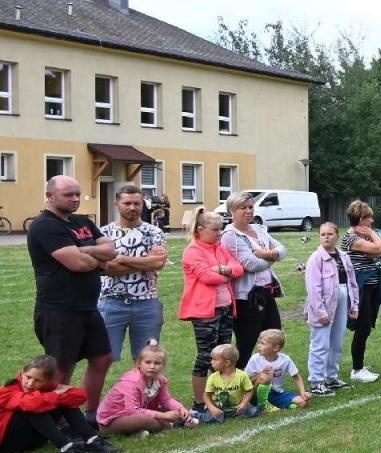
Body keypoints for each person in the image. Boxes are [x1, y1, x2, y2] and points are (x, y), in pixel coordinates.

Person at [27, 175, 118, 421]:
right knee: (62, 366)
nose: (76, 199)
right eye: (69, 195)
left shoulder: (81, 221)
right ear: (50, 196)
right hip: (58, 309)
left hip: (87, 307)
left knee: (102, 358)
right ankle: (57, 420)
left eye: (78, 194)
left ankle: (88, 416)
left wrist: (86, 250)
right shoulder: (44, 226)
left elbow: (111, 250)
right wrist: (97, 260)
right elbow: (76, 263)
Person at [179, 213, 243, 415]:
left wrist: (221, 269)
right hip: (204, 311)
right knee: (207, 355)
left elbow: (238, 269)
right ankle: (199, 402)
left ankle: (219, 397)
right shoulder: (192, 251)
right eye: (215, 229)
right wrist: (225, 273)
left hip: (224, 308)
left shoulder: (219, 248)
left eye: (221, 229)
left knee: (224, 354)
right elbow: (207, 277)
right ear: (201, 230)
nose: (220, 233)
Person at [98, 182, 169, 364]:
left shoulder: (154, 232)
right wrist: (146, 263)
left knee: (147, 360)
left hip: (147, 304)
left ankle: (144, 393)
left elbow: (158, 262)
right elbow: (105, 268)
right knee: (102, 359)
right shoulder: (103, 234)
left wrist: (120, 258)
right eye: (127, 203)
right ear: (117, 205)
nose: (132, 208)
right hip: (111, 302)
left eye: (137, 203)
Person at [0, 354, 117, 453]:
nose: (30, 383)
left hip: (33, 440)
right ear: (22, 373)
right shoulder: (8, 390)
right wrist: (55, 395)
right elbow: (30, 404)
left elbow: (79, 397)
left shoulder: (48, 387)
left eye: (37, 380)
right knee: (34, 406)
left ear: (47, 381)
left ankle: (92, 440)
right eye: (28, 377)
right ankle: (66, 448)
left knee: (63, 401)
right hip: (6, 443)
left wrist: (56, 396)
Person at [220, 191, 288, 362]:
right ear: (232, 211)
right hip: (246, 296)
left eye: (251, 207)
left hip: (266, 292)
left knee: (274, 337)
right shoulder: (230, 236)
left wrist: (263, 253)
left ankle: (265, 379)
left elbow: (282, 250)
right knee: (247, 342)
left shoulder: (258, 229)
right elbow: (251, 264)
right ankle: (238, 382)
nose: (249, 211)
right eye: (243, 208)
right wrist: (272, 259)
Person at [304, 222, 358, 396]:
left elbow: (351, 282)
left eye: (330, 234)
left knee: (336, 341)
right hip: (323, 304)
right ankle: (317, 381)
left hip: (341, 299)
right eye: (322, 234)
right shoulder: (316, 258)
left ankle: (331, 377)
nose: (326, 237)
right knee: (320, 343)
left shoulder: (343, 256)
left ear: (337, 236)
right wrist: (320, 312)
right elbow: (313, 289)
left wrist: (354, 303)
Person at [97, 341, 196, 436]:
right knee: (147, 419)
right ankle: (173, 424)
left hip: (138, 412)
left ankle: (138, 432)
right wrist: (163, 416)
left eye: (157, 363)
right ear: (139, 363)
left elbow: (166, 399)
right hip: (112, 421)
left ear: (163, 366)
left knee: (170, 411)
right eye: (148, 362)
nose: (152, 366)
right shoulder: (132, 381)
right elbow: (132, 410)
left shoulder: (160, 380)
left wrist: (180, 408)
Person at [340, 201, 381, 384]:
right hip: (361, 288)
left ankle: (359, 366)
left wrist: (373, 241)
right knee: (362, 327)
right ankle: (357, 369)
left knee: (366, 327)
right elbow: (380, 248)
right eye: (369, 218)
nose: (373, 221)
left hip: (370, 287)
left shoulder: (363, 238)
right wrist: (373, 235)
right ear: (361, 220)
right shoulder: (353, 238)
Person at [246, 328, 311, 412]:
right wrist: (259, 376)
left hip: (276, 393)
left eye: (262, 343)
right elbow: (246, 380)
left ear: (275, 348)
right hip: (255, 393)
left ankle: (274, 404)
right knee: (264, 377)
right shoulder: (255, 359)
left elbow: (296, 377)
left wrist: (303, 393)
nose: (258, 345)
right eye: (259, 342)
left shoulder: (285, 359)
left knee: (304, 402)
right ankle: (262, 404)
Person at [199, 343, 259, 423]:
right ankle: (196, 415)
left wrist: (244, 403)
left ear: (227, 363)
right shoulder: (212, 377)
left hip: (236, 409)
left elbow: (249, 390)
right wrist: (212, 408)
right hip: (219, 409)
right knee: (211, 418)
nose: (211, 362)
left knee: (253, 412)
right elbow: (206, 395)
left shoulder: (242, 376)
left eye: (215, 359)